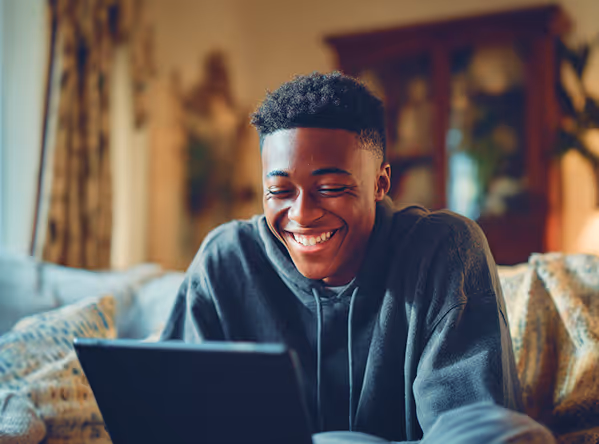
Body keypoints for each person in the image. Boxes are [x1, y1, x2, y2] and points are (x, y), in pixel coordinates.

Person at [161, 72, 555, 443]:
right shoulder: (225, 260)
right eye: (279, 192)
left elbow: (477, 431)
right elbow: (167, 419)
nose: (301, 214)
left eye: (330, 187)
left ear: (380, 183)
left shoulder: (445, 251)